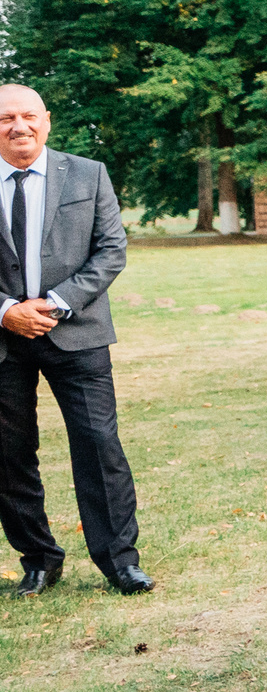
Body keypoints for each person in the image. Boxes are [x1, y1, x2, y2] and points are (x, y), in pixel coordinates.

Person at [0, 85, 151, 598]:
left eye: (27, 116)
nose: (18, 126)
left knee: (98, 444)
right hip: (2, 338)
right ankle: (39, 559)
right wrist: (7, 310)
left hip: (77, 332)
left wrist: (56, 303)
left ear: (46, 120)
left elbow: (111, 250)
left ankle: (119, 562)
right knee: (8, 452)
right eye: (5, 118)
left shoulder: (88, 173)